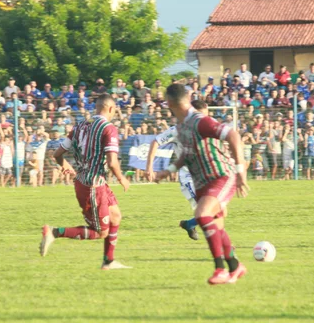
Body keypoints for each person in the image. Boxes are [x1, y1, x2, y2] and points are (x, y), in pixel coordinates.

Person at [155, 84, 250, 285]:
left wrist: (241, 172)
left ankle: (220, 269)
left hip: (221, 176)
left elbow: (232, 135)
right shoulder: (181, 127)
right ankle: (235, 266)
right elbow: (184, 156)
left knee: (202, 214)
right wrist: (168, 171)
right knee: (217, 227)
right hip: (201, 182)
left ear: (170, 103)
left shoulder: (199, 121)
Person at [40, 94, 132, 270]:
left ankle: (108, 261)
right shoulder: (108, 128)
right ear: (111, 109)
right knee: (101, 232)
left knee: (115, 216)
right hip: (92, 186)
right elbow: (112, 161)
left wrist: (65, 165)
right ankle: (54, 232)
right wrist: (122, 179)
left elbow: (57, 154)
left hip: (91, 182)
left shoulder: (80, 126)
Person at [145, 103, 209, 241]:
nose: (205, 118)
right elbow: (155, 142)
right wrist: (149, 167)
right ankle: (224, 245)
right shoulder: (177, 130)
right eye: (202, 115)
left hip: (205, 176)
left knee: (216, 210)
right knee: (207, 211)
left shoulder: (206, 129)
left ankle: (189, 224)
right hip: (189, 177)